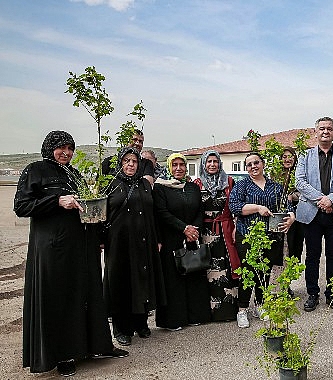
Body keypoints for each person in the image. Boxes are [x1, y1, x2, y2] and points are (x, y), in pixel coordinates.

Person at [14, 131, 128, 377]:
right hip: (53, 249)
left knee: (84, 294)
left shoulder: (73, 173)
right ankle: (63, 355)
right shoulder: (35, 170)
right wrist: (57, 201)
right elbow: (21, 206)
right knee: (60, 298)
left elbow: (84, 205)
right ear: (49, 147)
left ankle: (95, 346)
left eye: (70, 148)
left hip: (80, 246)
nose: (66, 153)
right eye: (61, 148)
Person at [102, 147, 166, 346]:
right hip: (119, 243)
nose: (131, 164)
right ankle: (121, 328)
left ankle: (141, 323)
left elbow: (153, 212)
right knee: (121, 282)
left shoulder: (144, 185)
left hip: (144, 241)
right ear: (120, 163)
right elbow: (100, 214)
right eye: (127, 161)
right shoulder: (111, 185)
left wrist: (158, 238)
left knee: (143, 280)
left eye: (134, 161)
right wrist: (100, 239)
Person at [295, 117, 333, 312]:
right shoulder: (305, 156)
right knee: (312, 255)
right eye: (322, 129)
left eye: (329, 129)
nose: (325, 132)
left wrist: (331, 200)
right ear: (316, 132)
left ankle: (332, 294)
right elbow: (300, 182)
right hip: (311, 213)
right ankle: (312, 293)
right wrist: (322, 200)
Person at [229, 152, 295, 328]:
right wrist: (257, 208)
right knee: (248, 271)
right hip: (248, 235)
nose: (253, 167)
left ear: (263, 164)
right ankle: (242, 309)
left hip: (270, 236)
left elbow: (287, 206)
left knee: (265, 271)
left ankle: (260, 304)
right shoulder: (242, 186)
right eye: (249, 165)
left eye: (256, 162)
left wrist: (291, 218)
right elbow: (234, 206)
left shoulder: (275, 186)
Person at [153, 153, 211, 330]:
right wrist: (183, 228)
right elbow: (162, 213)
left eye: (182, 165)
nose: (178, 168)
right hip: (172, 238)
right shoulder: (161, 188)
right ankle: (174, 320)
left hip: (191, 238)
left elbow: (200, 211)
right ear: (169, 167)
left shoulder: (192, 187)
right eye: (174, 165)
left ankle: (195, 315)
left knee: (194, 276)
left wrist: (194, 230)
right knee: (174, 281)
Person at [193, 150, 241, 322]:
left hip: (225, 229)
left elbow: (235, 206)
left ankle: (229, 311)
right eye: (209, 162)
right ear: (203, 165)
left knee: (228, 269)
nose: (212, 164)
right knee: (208, 270)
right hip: (206, 233)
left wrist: (236, 226)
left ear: (219, 163)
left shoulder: (229, 182)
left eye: (215, 161)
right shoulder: (197, 184)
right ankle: (209, 312)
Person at [281, 147, 305, 268]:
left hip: (299, 214)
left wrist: (293, 196)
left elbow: (305, 192)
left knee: (296, 246)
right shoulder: (276, 174)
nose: (287, 159)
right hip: (282, 215)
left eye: (290, 156)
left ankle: (290, 277)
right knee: (283, 248)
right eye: (284, 157)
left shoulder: (300, 174)